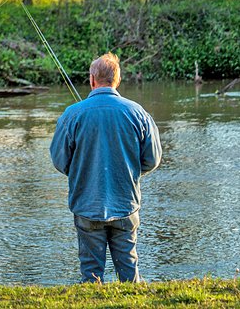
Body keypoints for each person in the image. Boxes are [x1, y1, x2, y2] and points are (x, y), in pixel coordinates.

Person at [50, 52, 162, 283]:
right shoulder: (138, 113)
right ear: (117, 80)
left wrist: (82, 171)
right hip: (125, 204)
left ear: (92, 80)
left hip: (87, 205)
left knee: (91, 275)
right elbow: (152, 159)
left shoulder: (72, 114)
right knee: (129, 274)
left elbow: (60, 161)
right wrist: (129, 170)